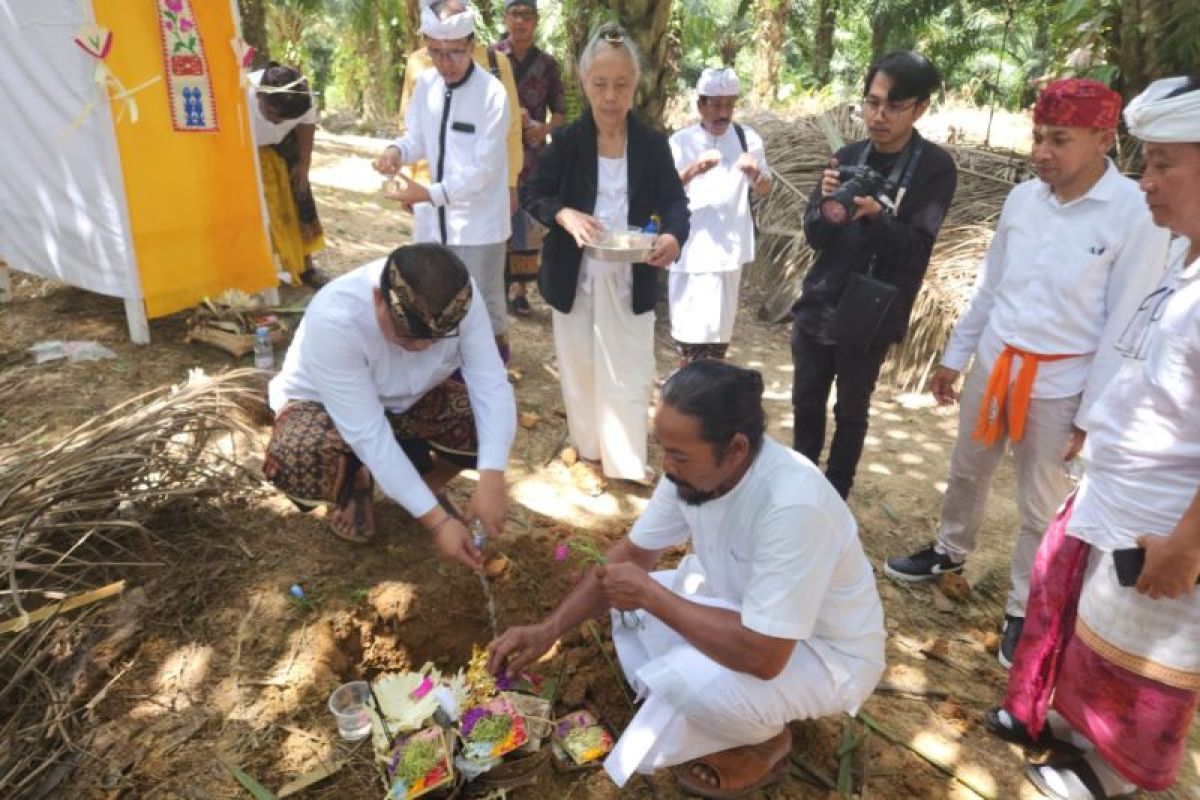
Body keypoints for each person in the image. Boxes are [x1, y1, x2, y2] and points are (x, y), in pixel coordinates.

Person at [487, 360, 885, 796]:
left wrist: (654, 597)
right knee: (629, 615)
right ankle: (731, 714)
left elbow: (765, 656)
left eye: (677, 454)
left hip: (822, 654)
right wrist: (549, 631)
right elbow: (635, 554)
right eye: (663, 448)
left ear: (735, 449)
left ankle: (765, 740)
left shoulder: (793, 506)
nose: (666, 466)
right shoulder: (692, 471)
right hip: (741, 610)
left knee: (685, 679)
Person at [884, 78, 1171, 669]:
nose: (1041, 151)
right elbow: (992, 288)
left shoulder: (1132, 214)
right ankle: (949, 549)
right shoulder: (1022, 201)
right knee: (966, 469)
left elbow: (1125, 324)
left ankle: (1023, 606)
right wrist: (956, 355)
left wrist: (1092, 414)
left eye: (1058, 140)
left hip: (1061, 382)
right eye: (1038, 136)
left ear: (1101, 138)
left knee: (1040, 505)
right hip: (996, 361)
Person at [984, 75, 1200, 800]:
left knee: (1136, 652)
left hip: (1165, 519)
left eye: (1166, 163)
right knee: (1086, 620)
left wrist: (1189, 543)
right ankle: (1067, 734)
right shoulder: (1183, 260)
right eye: (1148, 162)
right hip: (1115, 491)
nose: (1149, 181)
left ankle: (1108, 770)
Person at [263, 243, 516, 572]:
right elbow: (368, 434)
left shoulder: (460, 300)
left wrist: (493, 477)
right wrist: (438, 524)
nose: (422, 347)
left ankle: (423, 489)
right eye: (409, 336)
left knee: (488, 427)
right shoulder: (335, 318)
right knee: (297, 454)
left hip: (409, 402)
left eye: (434, 339)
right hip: (324, 406)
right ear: (378, 299)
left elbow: (491, 384)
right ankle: (355, 485)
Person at [519, 23, 689, 488]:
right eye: (600, 84)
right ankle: (591, 452)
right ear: (583, 84)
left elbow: (675, 202)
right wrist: (565, 215)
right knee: (580, 365)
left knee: (631, 368)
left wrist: (673, 236)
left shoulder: (652, 145)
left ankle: (627, 461)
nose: (611, 96)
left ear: (635, 86)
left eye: (621, 85)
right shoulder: (569, 142)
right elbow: (533, 192)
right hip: (575, 273)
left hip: (630, 272)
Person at [791, 51, 957, 499]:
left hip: (871, 311)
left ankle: (834, 496)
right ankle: (800, 491)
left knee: (850, 410)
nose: (878, 116)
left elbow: (916, 250)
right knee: (806, 402)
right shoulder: (846, 155)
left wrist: (876, 217)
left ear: (920, 108)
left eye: (894, 106)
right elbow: (814, 236)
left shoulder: (934, 169)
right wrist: (828, 207)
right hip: (821, 300)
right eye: (871, 102)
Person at [375, 1, 514, 360]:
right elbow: (415, 138)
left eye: (453, 53)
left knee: (483, 310)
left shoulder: (492, 95)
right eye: (435, 53)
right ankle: (443, 380)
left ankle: (493, 378)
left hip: (478, 226)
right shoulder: (425, 86)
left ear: (471, 46)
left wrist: (429, 193)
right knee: (432, 303)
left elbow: (484, 171)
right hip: (432, 225)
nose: (444, 63)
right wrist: (395, 152)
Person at [667, 67, 771, 364]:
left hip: (728, 252)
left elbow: (765, 188)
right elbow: (664, 190)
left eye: (729, 105)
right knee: (687, 334)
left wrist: (755, 174)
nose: (722, 113)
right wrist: (694, 169)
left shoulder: (747, 138)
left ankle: (708, 394)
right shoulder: (680, 142)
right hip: (689, 250)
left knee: (718, 336)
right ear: (701, 105)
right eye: (715, 105)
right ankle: (687, 388)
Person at [490, 0, 566, 318]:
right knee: (496, 216)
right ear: (505, 18)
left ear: (535, 21)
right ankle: (496, 284)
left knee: (527, 221)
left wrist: (544, 129)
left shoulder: (547, 64)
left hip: (533, 156)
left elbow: (561, 111)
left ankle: (520, 291)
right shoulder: (490, 57)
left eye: (527, 15)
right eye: (514, 14)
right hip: (496, 151)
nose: (520, 21)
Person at [250, 63, 329, 288]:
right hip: (245, 150)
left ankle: (306, 268)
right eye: (275, 116)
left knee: (300, 196)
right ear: (260, 96)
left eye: (286, 119)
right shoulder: (240, 95)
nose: (280, 122)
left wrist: (304, 163)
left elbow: (306, 124)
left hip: (285, 147)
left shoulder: (299, 98)